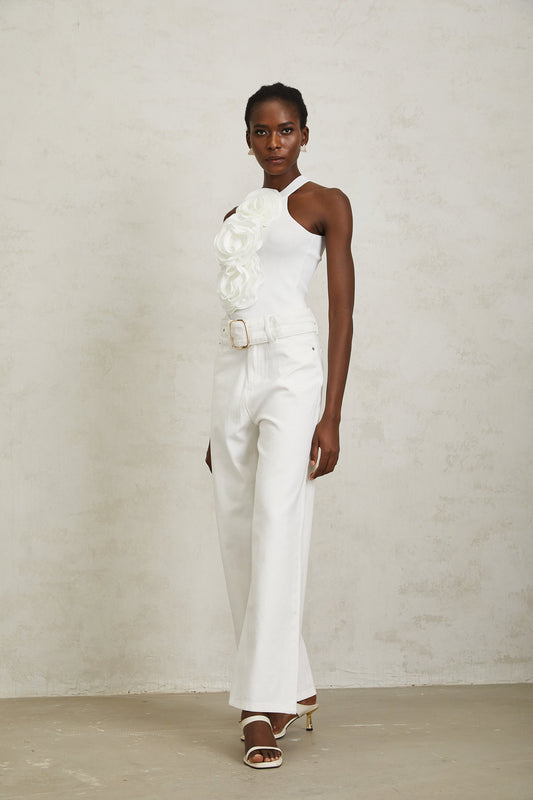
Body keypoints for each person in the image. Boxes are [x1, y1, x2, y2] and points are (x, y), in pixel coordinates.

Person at [205, 82, 354, 769]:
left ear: (304, 134)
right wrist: (218, 419)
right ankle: (292, 679)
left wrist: (331, 414)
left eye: (285, 129)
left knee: (276, 523)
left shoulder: (326, 204)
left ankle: (259, 709)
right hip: (232, 369)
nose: (274, 143)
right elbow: (233, 308)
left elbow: (342, 311)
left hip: (292, 371)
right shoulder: (235, 216)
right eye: (261, 132)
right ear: (247, 139)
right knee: (238, 535)